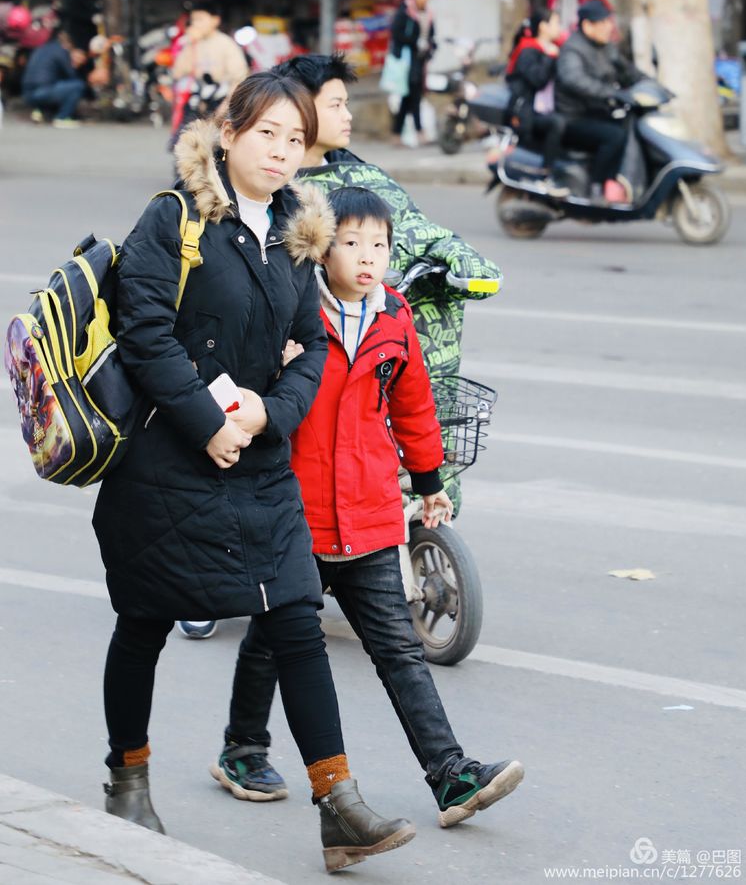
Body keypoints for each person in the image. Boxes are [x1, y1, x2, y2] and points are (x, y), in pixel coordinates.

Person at [92, 70, 416, 872]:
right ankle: (127, 781)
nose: (280, 151)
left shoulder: (299, 234)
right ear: (229, 131)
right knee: (145, 622)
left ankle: (339, 804)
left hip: (263, 464)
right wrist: (208, 424)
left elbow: (311, 346)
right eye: (267, 132)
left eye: (296, 139)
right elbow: (144, 333)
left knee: (297, 620)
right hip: (169, 461)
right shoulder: (173, 218)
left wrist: (271, 414)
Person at [211, 186, 525, 828]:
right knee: (273, 640)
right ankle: (243, 748)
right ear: (322, 250)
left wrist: (430, 480)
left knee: (399, 652)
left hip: (371, 513)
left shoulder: (395, 320)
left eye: (378, 246)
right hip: (295, 513)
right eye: (351, 243)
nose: (366, 258)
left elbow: (413, 407)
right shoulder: (294, 314)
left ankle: (451, 776)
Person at [177, 52, 499, 645]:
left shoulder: (364, 188)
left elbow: (419, 229)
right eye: (333, 105)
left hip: (367, 350)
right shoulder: (256, 199)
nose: (346, 116)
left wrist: (462, 263)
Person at [555, 0, 645, 202]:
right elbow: (575, 80)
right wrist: (611, 93)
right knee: (614, 136)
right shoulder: (572, 50)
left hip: (597, 112)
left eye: (609, 22)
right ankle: (597, 185)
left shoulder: (606, 47)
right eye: (603, 23)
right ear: (587, 25)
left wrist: (650, 85)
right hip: (573, 118)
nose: (609, 27)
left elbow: (627, 72)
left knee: (631, 126)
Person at [505, 9, 569, 196]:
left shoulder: (553, 48)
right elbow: (537, 80)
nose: (559, 28)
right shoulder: (528, 50)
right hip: (527, 113)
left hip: (546, 108)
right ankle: (545, 176)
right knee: (557, 123)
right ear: (543, 26)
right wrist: (550, 58)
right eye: (556, 23)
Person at [169, 0, 248, 142]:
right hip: (195, 102)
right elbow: (177, 73)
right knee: (185, 146)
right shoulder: (188, 42)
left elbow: (238, 79)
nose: (196, 24)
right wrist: (189, 45)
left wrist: (224, 108)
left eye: (200, 19)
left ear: (215, 20)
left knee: (215, 147)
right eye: (193, 20)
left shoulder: (226, 44)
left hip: (219, 101)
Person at [389, 0, 436, 146]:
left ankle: (398, 134)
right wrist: (414, 41)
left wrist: (430, 47)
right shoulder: (405, 11)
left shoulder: (428, 13)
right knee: (411, 96)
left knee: (410, 97)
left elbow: (431, 35)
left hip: (420, 60)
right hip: (407, 61)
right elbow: (396, 33)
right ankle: (418, 132)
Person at [21, 28, 86, 128]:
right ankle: (62, 117)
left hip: (27, 93)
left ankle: (39, 112)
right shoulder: (61, 51)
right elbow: (71, 74)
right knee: (78, 85)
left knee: (55, 85)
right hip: (42, 92)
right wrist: (76, 65)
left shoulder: (41, 48)